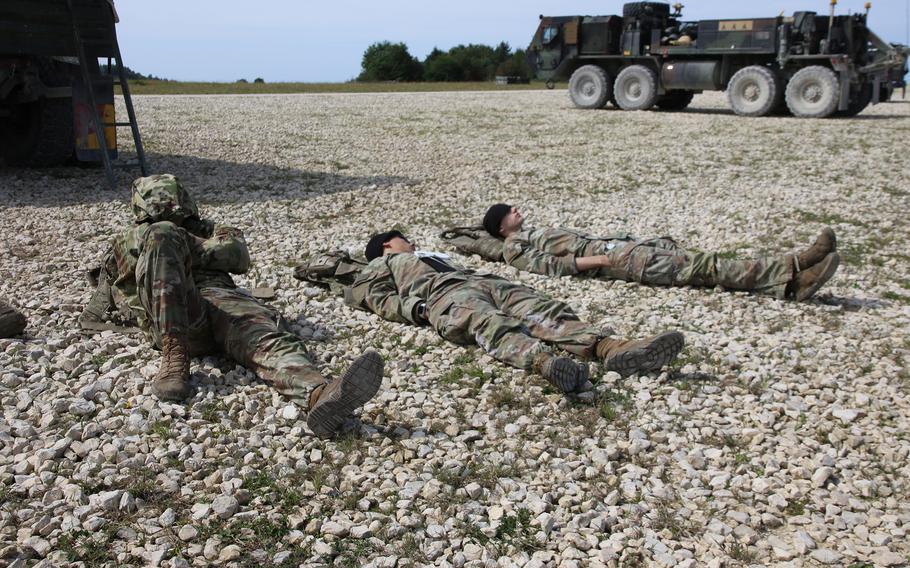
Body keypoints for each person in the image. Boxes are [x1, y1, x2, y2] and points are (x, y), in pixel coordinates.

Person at [96, 174, 382, 438]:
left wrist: (183, 246)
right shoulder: (131, 240)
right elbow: (132, 284)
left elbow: (238, 255)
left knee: (265, 337)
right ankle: (174, 355)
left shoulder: (208, 228)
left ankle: (320, 394)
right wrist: (187, 246)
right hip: (178, 313)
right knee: (162, 234)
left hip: (225, 302)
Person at [349, 230, 685, 396]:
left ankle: (611, 348)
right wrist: (417, 309)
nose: (410, 242)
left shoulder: (430, 254)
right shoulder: (385, 263)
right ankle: (545, 363)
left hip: (485, 282)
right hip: (445, 295)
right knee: (489, 324)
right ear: (387, 244)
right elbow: (374, 297)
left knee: (543, 312)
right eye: (403, 239)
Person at [481, 203, 840, 302]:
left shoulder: (528, 232)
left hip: (622, 248)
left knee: (699, 264)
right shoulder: (515, 247)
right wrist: (602, 262)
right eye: (508, 211)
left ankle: (789, 285)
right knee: (704, 266)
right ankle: (794, 265)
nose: (516, 209)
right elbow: (549, 267)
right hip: (617, 258)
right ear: (501, 227)